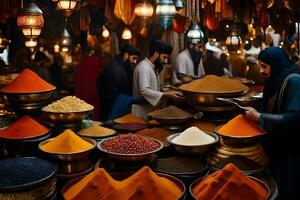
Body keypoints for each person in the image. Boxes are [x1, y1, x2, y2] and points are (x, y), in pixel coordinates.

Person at [243, 47, 300, 200]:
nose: (261, 71)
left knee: (284, 190)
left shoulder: (294, 82)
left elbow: (294, 119)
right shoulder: (275, 80)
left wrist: (260, 117)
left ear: (276, 64)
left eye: (264, 66)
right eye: (260, 66)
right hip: (275, 146)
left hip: (289, 152)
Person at [132, 39, 185, 118]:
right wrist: (166, 94)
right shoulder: (144, 67)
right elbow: (144, 90)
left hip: (149, 110)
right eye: (164, 57)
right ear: (156, 54)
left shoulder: (152, 67)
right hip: (141, 112)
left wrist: (166, 92)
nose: (166, 61)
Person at [97, 44, 142, 121]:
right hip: (111, 112)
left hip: (114, 109)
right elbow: (115, 95)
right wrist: (135, 100)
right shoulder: (116, 69)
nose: (135, 62)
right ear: (126, 55)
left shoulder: (121, 66)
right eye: (134, 58)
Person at [75, 47, 107, 121]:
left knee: (83, 113)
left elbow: (77, 75)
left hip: (82, 90)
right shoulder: (98, 61)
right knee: (93, 112)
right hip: (93, 91)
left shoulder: (85, 61)